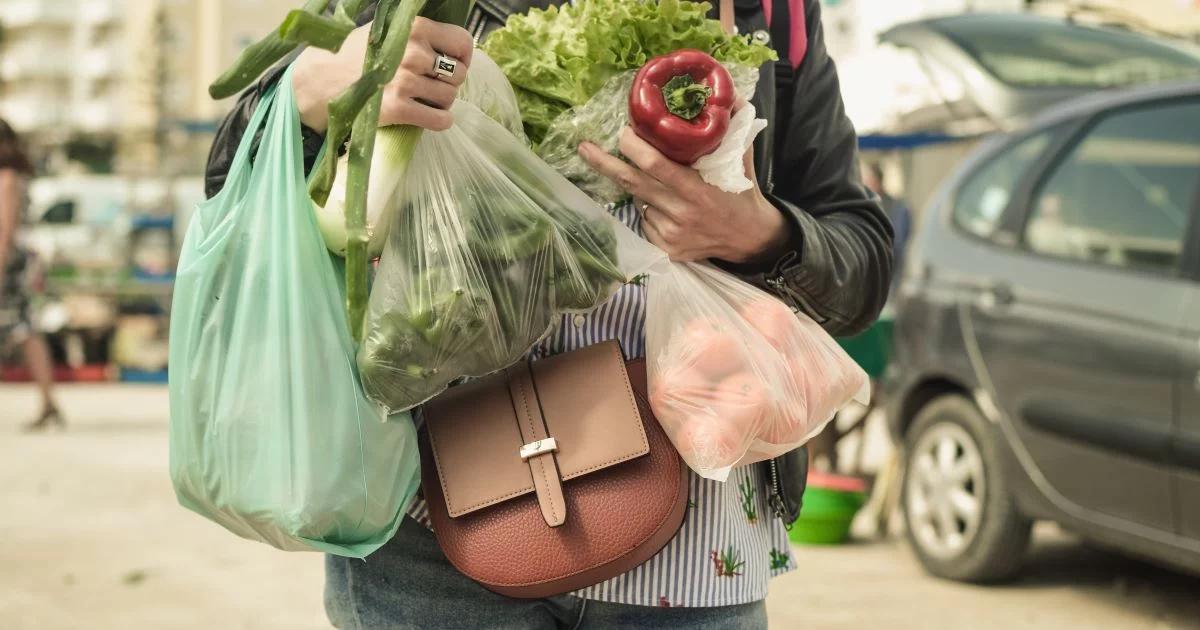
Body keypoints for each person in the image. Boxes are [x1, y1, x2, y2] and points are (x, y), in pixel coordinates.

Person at [206, 0, 893, 627]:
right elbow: (231, 178)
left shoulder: (768, 13)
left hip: (695, 553)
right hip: (430, 531)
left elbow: (863, 260)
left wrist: (761, 234)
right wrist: (314, 91)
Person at [0, 119, 63, 431]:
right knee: (25, 331)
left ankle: (49, 402)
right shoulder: (15, 175)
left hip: (8, 263)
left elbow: (5, 231)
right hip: (17, 261)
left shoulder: (8, 178)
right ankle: (49, 403)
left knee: (24, 330)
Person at [863, 162, 911, 297]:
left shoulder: (896, 207)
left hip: (889, 274)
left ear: (876, 181)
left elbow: (899, 243)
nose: (865, 183)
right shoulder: (870, 205)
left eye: (868, 179)